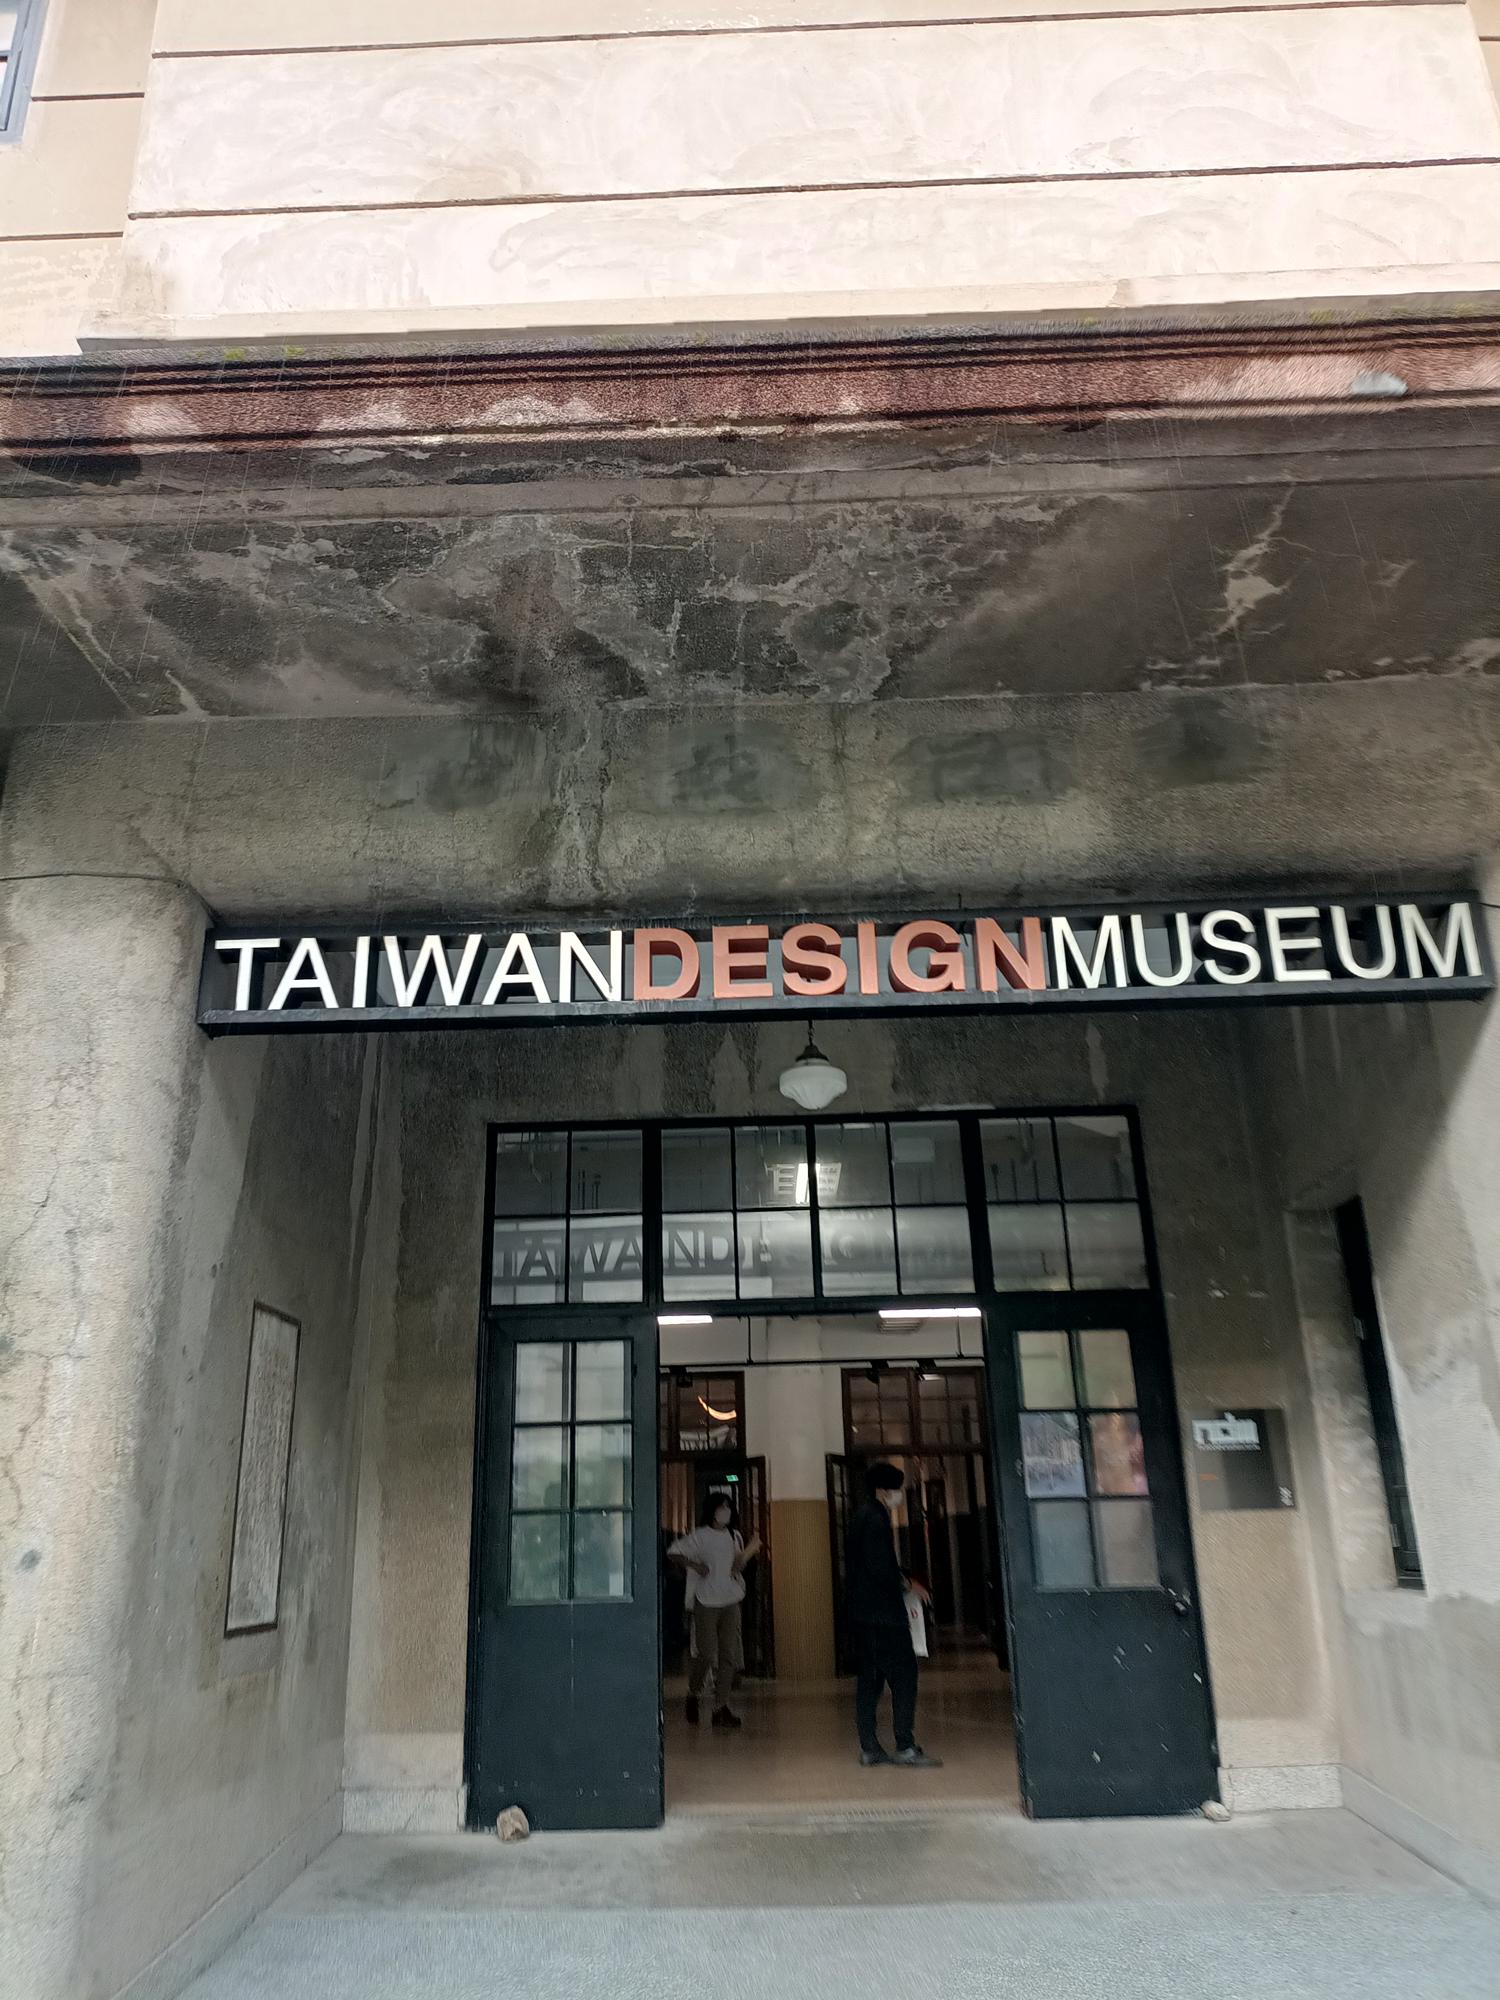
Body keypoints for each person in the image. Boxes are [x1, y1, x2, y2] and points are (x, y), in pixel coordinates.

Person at [845, 1462, 942, 1768]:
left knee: (869, 1680)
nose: (898, 1494)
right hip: (883, 1616)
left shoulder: (861, 1516)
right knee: (904, 1675)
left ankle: (870, 1747)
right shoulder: (876, 1519)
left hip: (863, 1614)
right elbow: (880, 1567)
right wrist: (908, 1583)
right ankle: (905, 1745)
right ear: (882, 1490)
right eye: (895, 1488)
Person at [669, 1496, 761, 1729]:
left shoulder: (733, 1536)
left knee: (728, 1654)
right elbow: (674, 1552)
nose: (725, 1511)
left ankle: (721, 1706)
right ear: (712, 1510)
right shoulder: (700, 1536)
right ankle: (694, 1692)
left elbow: (737, 1566)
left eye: (728, 1507)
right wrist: (694, 1565)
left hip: (730, 1599)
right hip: (706, 1601)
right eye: (721, 1507)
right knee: (707, 1653)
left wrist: (748, 1552)